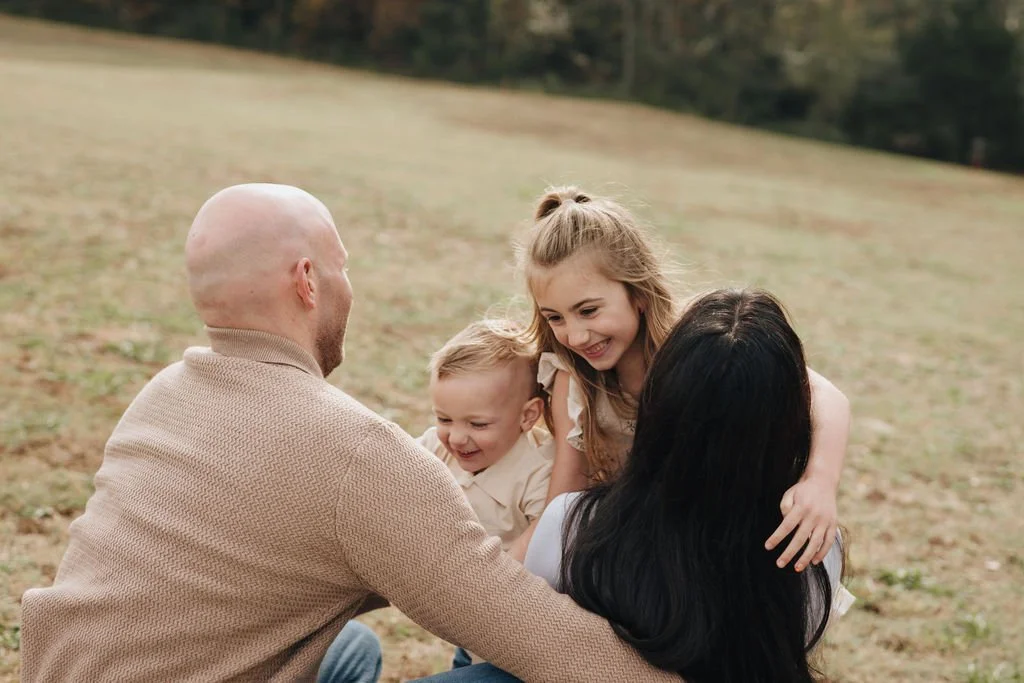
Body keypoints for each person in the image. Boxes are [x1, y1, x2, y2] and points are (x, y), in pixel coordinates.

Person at [18, 184, 676, 683]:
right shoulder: (352, 452)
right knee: (508, 673)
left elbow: (288, 559)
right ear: (308, 282)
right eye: (343, 268)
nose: (348, 288)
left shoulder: (163, 392)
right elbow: (533, 631)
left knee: (349, 649)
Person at [522, 288, 856, 681]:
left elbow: (529, 650)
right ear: (791, 422)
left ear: (657, 401)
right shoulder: (813, 545)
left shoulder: (571, 526)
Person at [520, 186, 852, 573]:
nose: (575, 336)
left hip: (709, 537)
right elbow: (564, 500)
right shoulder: (574, 380)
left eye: (589, 311)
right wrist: (495, 576)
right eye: (554, 318)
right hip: (626, 544)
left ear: (638, 293)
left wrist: (820, 482)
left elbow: (825, 395)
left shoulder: (694, 344)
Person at [414, 319, 553, 670]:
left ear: (527, 415)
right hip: (470, 633)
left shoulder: (538, 474)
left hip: (522, 642)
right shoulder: (435, 448)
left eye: (477, 424)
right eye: (445, 418)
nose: (457, 438)